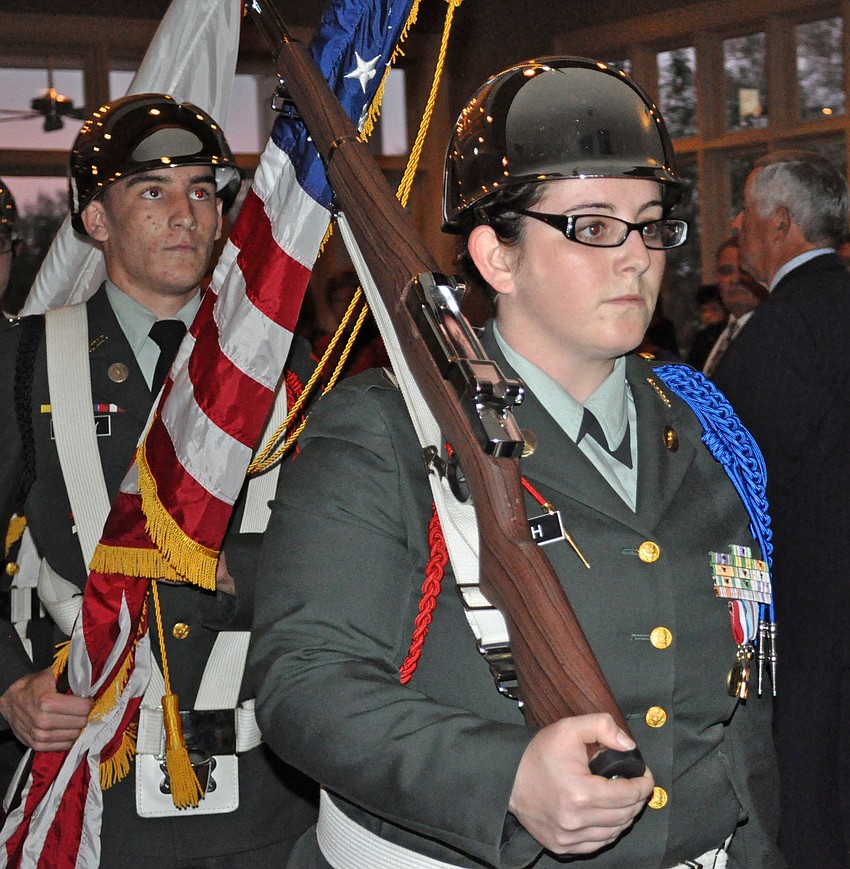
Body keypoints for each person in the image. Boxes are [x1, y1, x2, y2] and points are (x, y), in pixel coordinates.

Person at [250, 58, 783, 868]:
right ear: (497, 258)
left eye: (651, 223)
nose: (636, 257)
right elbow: (307, 679)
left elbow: (744, 707)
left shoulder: (704, 425)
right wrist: (505, 776)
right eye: (593, 226)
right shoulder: (389, 428)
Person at [0, 94, 318, 866]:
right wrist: (8, 685)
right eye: (153, 192)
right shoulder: (24, 362)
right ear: (95, 220)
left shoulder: (290, 370)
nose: (186, 215)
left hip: (268, 796)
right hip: (93, 783)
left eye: (202, 192)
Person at [712, 149, 850, 868]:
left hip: (798, 622)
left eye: (746, 211)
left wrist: (742, 642)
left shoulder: (779, 334)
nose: (738, 225)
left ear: (781, 223)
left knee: (808, 810)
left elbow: (733, 498)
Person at [702, 237, 765, 377]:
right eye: (726, 271)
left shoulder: (771, 334)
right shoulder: (707, 337)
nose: (735, 279)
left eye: (744, 271)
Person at [686, 283, 726, 370]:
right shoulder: (701, 338)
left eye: (714, 309)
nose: (708, 315)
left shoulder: (728, 335)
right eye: (703, 310)